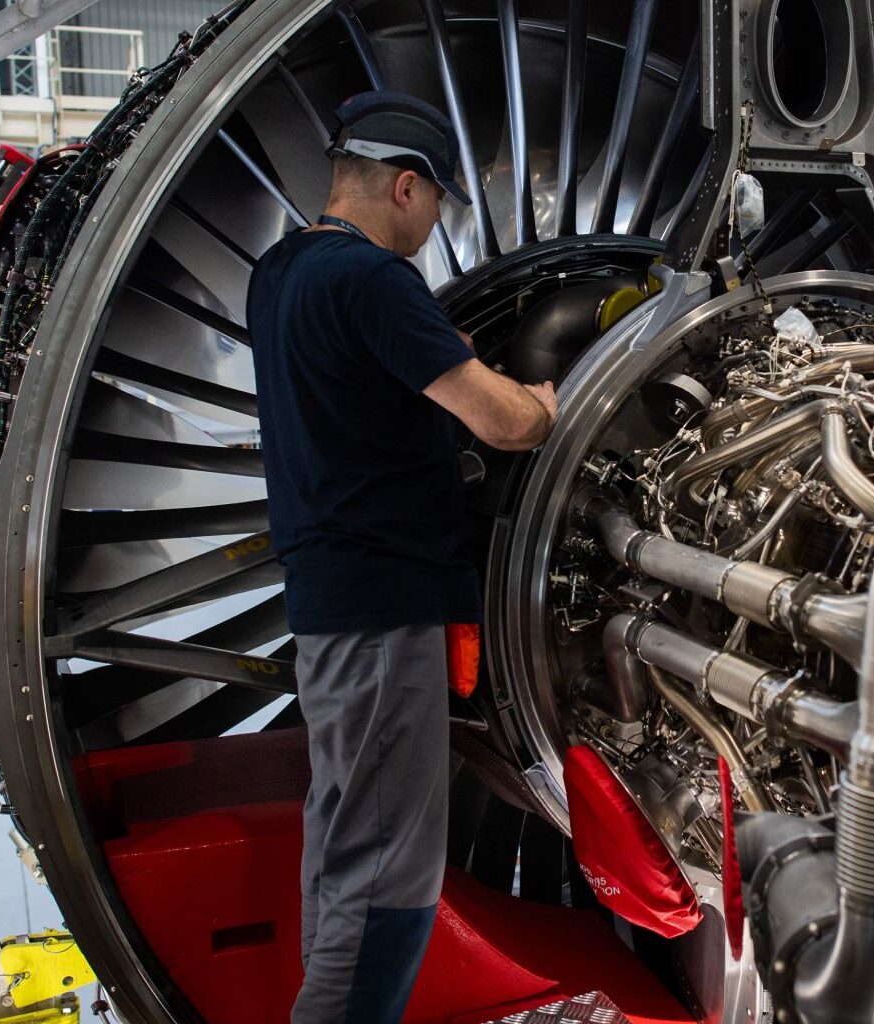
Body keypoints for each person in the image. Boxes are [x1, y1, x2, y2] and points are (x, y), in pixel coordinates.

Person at [246, 91, 556, 1024]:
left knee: (349, 844)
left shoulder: (282, 271)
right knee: (388, 871)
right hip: (385, 612)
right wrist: (543, 401)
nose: (430, 230)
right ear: (407, 187)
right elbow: (503, 424)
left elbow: (357, 377)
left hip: (335, 603)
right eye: (434, 208)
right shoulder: (374, 282)